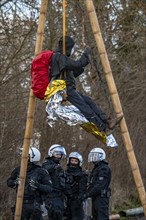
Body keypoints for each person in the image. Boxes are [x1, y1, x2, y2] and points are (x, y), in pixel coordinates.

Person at [50, 36, 123, 132]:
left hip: (68, 88)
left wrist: (83, 65)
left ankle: (106, 120)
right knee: (84, 107)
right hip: (64, 90)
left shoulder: (61, 58)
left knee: (89, 101)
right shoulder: (58, 57)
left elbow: (72, 73)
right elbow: (76, 65)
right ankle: (101, 127)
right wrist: (85, 54)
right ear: (67, 47)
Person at [7, 146, 52, 220]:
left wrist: (37, 185)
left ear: (32, 158)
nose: (23, 158)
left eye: (25, 156)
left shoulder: (41, 172)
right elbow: (9, 181)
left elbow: (49, 188)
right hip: (20, 204)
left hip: (35, 205)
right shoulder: (18, 170)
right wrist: (15, 182)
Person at [83, 147, 111, 220]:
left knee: (101, 217)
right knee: (95, 216)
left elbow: (99, 185)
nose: (93, 158)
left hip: (101, 198)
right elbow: (92, 183)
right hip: (95, 197)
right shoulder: (96, 168)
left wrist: (88, 194)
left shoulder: (104, 168)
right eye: (92, 156)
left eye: (95, 156)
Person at [42, 144, 66, 220]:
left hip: (59, 195)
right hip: (51, 195)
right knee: (56, 213)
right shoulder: (47, 163)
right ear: (51, 153)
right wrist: (54, 168)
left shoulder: (58, 166)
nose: (59, 156)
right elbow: (45, 170)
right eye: (57, 154)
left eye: (60, 155)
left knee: (60, 214)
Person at [64, 152, 88, 220]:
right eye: (72, 160)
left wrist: (79, 199)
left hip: (76, 201)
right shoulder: (65, 173)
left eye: (75, 161)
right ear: (69, 161)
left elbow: (82, 189)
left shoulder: (82, 175)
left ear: (79, 162)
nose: (73, 162)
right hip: (66, 200)